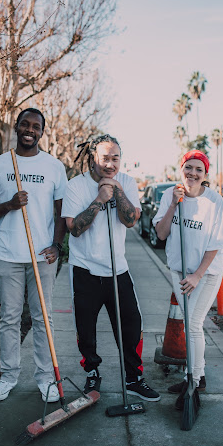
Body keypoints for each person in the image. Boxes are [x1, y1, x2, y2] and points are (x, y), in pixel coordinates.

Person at [0, 108, 67, 403]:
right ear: (16, 127)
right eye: (25, 124)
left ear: (42, 132)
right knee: (9, 318)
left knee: (43, 319)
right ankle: (8, 376)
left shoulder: (54, 167)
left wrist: (56, 246)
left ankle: (45, 379)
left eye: (36, 126)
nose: (30, 130)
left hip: (41, 257)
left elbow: (60, 213)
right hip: (7, 255)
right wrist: (9, 205)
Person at [61, 134, 160, 402]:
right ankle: (92, 373)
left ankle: (134, 378)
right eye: (105, 158)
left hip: (119, 270)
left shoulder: (126, 182)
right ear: (93, 158)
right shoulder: (75, 186)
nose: (110, 164)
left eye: (115, 158)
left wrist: (117, 190)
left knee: (131, 325)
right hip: (85, 270)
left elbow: (131, 220)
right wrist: (100, 200)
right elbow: (74, 229)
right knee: (86, 329)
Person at [153, 149, 223, 409]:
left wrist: (198, 275)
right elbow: (161, 234)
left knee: (194, 324)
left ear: (205, 174)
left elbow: (216, 245)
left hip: (205, 273)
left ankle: (194, 380)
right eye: (189, 167)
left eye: (199, 169)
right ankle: (198, 375)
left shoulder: (213, 201)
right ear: (181, 169)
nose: (193, 173)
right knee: (190, 323)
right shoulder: (169, 195)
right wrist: (174, 205)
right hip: (179, 270)